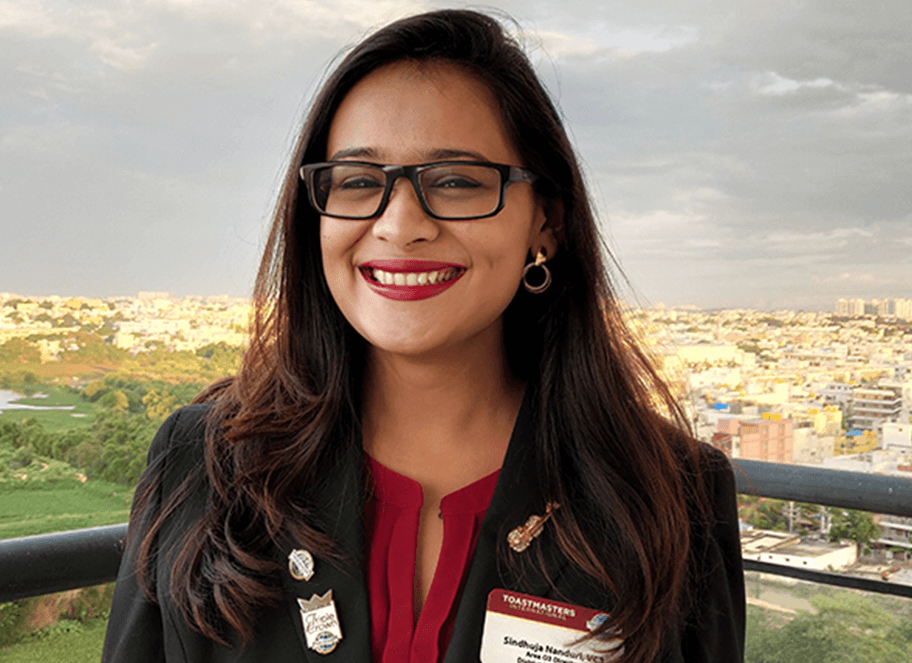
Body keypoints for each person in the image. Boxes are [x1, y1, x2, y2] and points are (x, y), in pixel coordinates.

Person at [102, 9, 744, 663]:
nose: (400, 224)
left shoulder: (668, 495)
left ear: (545, 223)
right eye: (357, 182)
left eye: (457, 181)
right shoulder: (205, 466)